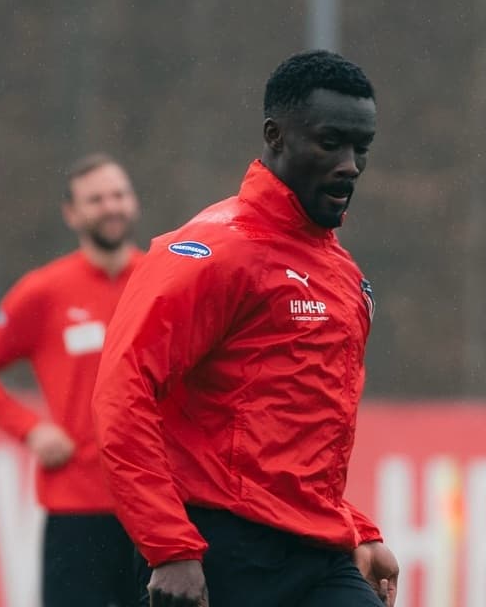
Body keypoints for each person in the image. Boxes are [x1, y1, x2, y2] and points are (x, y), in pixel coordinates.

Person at [93, 50, 399, 607]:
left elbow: (294, 436)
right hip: (218, 552)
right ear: (275, 135)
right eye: (331, 143)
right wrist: (169, 547)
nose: (351, 164)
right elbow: (123, 390)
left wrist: (360, 530)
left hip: (318, 555)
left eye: (362, 149)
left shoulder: (345, 277)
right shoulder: (212, 252)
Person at [0, 153, 141, 607]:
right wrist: (31, 429)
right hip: (76, 509)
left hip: (153, 507)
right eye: (95, 200)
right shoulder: (45, 290)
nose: (110, 207)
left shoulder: (160, 280)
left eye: (118, 195)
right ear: (72, 213)